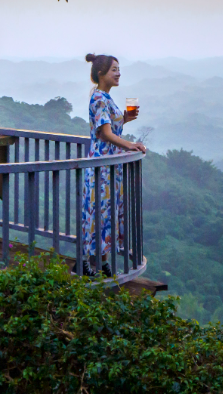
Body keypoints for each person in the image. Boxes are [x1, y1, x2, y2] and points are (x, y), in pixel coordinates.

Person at [81, 53, 146, 277]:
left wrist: (125, 119)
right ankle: (85, 263)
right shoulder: (98, 98)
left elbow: (110, 125)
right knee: (98, 213)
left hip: (110, 168)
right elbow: (105, 133)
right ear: (101, 74)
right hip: (101, 167)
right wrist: (130, 145)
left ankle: (102, 261)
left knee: (106, 215)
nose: (118, 73)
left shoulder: (106, 98)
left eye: (119, 69)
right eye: (114, 70)